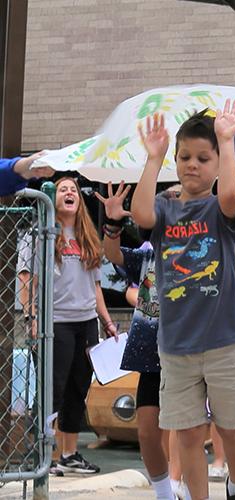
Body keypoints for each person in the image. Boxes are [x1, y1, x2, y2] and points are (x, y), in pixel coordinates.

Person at [131, 104, 235, 500]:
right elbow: (140, 212)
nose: (192, 165)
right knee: (185, 431)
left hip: (226, 342)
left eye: (204, 158)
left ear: (219, 164)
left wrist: (226, 140)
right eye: (184, 157)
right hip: (176, 346)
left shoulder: (219, 210)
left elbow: (233, 192)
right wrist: (153, 159)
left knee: (232, 427)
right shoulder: (165, 209)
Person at [17, 176, 117, 474]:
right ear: (52, 198)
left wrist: (107, 321)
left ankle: (70, 454)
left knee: (77, 388)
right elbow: (26, 279)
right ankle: (42, 455)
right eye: (62, 190)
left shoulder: (88, 236)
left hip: (85, 323)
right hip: (54, 323)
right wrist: (30, 316)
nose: (69, 193)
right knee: (52, 390)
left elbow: (96, 285)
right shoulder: (39, 233)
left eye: (73, 189)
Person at [97, 181, 174, 498]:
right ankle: (165, 491)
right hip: (151, 358)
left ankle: (180, 485)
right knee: (147, 431)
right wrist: (113, 222)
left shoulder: (204, 257)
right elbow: (112, 253)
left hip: (189, 356)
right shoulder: (148, 257)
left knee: (182, 431)